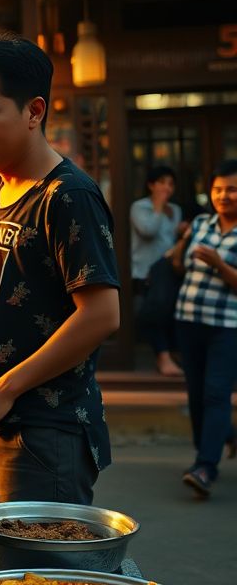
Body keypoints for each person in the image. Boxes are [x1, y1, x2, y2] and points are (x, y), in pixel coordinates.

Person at [0, 34, 120, 510]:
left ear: (34, 111)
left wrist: (5, 388)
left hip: (43, 432)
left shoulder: (67, 196)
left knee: (38, 575)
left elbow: (101, 315)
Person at [171, 160, 237, 498]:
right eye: (218, 189)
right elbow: (181, 267)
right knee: (197, 395)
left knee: (215, 392)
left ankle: (205, 466)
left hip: (227, 326)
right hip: (189, 319)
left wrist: (219, 264)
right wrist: (181, 248)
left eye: (232, 189)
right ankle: (222, 438)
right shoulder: (200, 223)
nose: (224, 196)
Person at [131, 166, 183, 376]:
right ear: (151, 185)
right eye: (162, 182)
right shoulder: (139, 207)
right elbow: (148, 231)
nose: (166, 187)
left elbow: (169, 240)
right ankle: (162, 358)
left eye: (170, 183)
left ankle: (169, 356)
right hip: (144, 271)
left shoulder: (176, 210)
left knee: (167, 313)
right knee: (151, 314)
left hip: (168, 269)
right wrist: (159, 205)